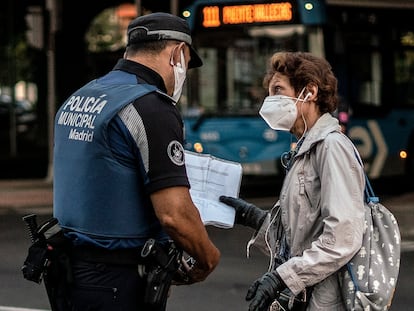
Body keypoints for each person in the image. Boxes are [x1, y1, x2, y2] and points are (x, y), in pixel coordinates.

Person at [53, 12, 220, 311]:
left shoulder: (81, 97)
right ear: (178, 55)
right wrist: (207, 258)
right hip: (120, 279)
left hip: (71, 273)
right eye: (186, 65)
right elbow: (174, 215)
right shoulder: (149, 107)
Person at [220, 51, 366, 311]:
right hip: (300, 299)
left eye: (278, 90)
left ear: (309, 92)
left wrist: (281, 277)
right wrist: (254, 218)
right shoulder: (304, 150)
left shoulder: (331, 147)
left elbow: (342, 238)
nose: (270, 101)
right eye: (269, 93)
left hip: (325, 302)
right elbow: (299, 239)